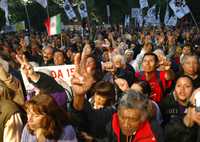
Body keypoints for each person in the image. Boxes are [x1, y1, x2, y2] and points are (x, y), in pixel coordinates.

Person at [70, 46, 164, 142]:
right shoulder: (113, 121)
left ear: (143, 118)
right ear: (118, 112)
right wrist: (79, 96)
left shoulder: (153, 134)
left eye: (133, 119)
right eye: (122, 118)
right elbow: (88, 118)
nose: (126, 124)